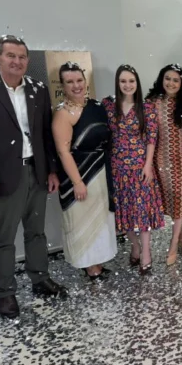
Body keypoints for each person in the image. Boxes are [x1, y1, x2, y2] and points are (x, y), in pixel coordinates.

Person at [0, 35, 67, 318]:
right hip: (2, 177)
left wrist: (51, 170)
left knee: (36, 232)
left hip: (36, 172)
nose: (17, 61)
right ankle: (6, 293)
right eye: (11, 55)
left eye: (22, 56)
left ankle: (40, 278)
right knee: (4, 238)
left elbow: (45, 134)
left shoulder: (38, 89)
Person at [53, 62, 117, 279]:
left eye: (79, 80)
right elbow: (63, 152)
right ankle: (89, 267)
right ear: (63, 85)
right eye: (70, 82)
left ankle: (97, 261)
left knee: (99, 220)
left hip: (101, 170)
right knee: (82, 220)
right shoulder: (62, 113)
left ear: (85, 81)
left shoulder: (97, 107)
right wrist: (77, 182)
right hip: (79, 174)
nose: (76, 85)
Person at [102, 65, 164, 274]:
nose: (127, 85)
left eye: (131, 81)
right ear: (117, 83)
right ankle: (135, 245)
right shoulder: (108, 106)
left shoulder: (146, 108)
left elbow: (151, 138)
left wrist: (148, 165)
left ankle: (146, 252)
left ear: (137, 83)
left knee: (143, 212)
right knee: (124, 212)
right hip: (117, 168)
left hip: (139, 167)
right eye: (123, 81)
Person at [147, 64, 182, 266]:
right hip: (161, 158)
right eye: (168, 78)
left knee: (180, 196)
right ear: (161, 79)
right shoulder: (151, 103)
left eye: (176, 80)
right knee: (171, 198)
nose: (171, 83)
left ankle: (174, 244)